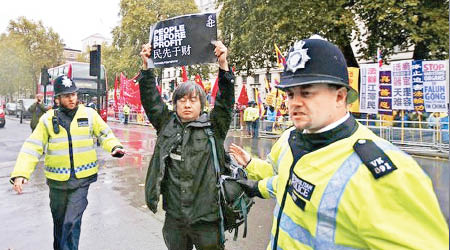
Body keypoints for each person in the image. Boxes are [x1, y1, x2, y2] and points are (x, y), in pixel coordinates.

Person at [229, 37, 448, 250]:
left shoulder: (387, 174)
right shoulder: (290, 139)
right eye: (290, 93)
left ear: (340, 97)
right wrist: (252, 171)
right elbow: (286, 180)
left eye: (306, 92)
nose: (294, 102)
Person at [10, 75, 126, 250]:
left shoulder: (89, 114)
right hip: (57, 182)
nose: (72, 98)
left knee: (71, 222)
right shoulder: (48, 119)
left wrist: (114, 146)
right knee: (60, 223)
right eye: (66, 95)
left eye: (73, 94)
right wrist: (21, 173)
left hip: (81, 180)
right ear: (58, 99)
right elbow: (32, 147)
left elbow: (105, 134)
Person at [138, 41, 234, 250]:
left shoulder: (214, 127)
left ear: (202, 104)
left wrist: (223, 64)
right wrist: (146, 67)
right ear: (175, 104)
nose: (187, 105)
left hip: (207, 219)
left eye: (193, 100)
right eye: (182, 100)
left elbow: (226, 101)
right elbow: (150, 100)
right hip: (175, 219)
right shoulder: (166, 124)